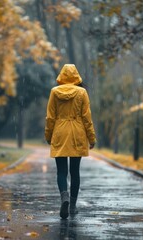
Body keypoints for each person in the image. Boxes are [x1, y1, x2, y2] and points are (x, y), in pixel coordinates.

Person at [45, 64, 96, 219]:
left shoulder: (54, 92)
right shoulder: (82, 92)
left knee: (61, 171)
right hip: (77, 133)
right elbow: (87, 118)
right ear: (76, 76)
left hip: (60, 132)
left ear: (62, 76)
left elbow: (50, 117)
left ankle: (64, 197)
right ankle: (72, 206)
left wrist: (48, 136)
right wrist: (91, 137)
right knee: (75, 171)